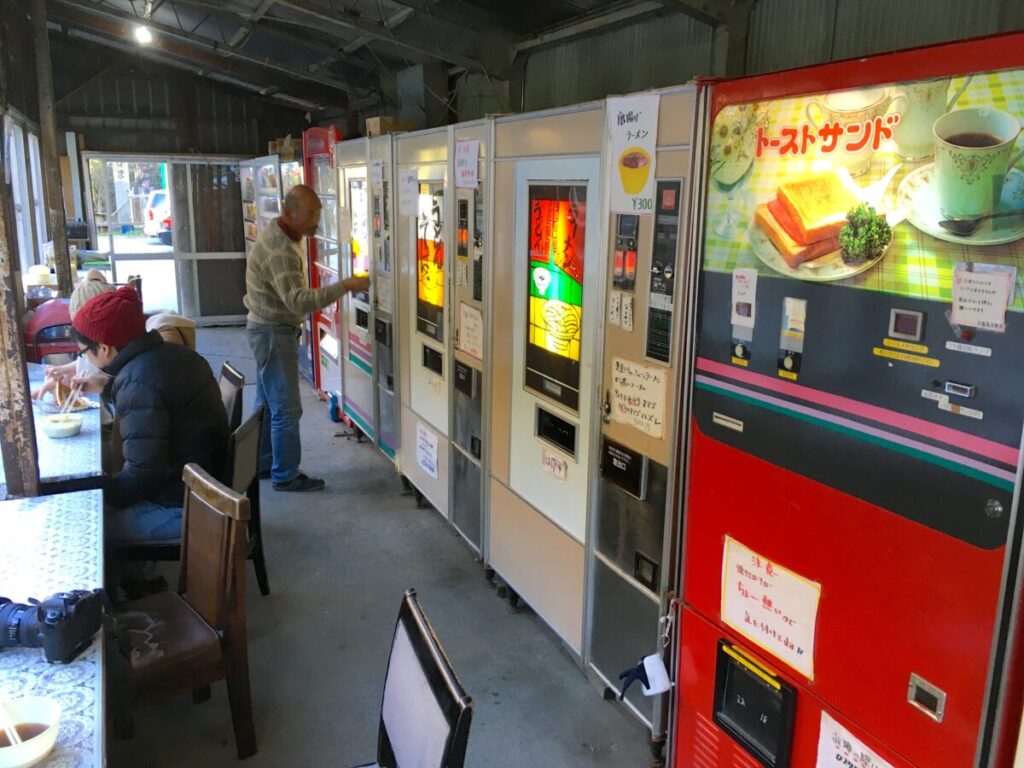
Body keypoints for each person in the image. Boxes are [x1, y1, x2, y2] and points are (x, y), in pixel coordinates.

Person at [71, 285, 228, 543]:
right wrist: (109, 388)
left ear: (104, 348)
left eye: (84, 352)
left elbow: (143, 473)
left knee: (88, 529)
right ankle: (141, 576)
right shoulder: (168, 356)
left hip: (187, 505)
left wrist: (96, 494)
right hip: (206, 485)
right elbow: (155, 406)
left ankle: (142, 579)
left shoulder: (138, 381)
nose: (85, 358)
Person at [244, 184, 369, 492]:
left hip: (266, 330)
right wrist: (345, 286)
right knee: (286, 409)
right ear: (289, 212)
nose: (316, 220)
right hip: (273, 333)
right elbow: (298, 301)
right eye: (311, 214)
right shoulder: (281, 248)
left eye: (318, 213)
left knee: (268, 405)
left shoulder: (286, 236)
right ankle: (285, 475)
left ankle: (261, 463)